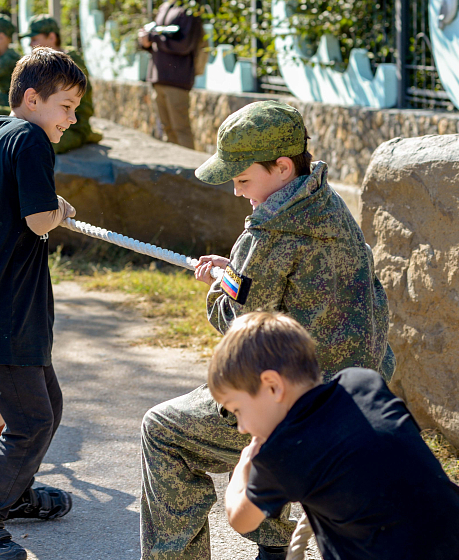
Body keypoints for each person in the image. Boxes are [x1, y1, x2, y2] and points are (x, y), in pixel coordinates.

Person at [140, 101, 395, 560]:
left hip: (301, 407)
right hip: (361, 391)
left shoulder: (270, 232)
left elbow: (239, 329)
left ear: (280, 168)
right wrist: (234, 270)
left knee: (162, 430)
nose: (237, 192)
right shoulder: (328, 206)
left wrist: (221, 289)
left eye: (241, 179)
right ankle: (274, 545)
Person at [210, 311, 459, 560]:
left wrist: (246, 463)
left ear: (272, 386)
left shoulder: (286, 451)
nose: (242, 427)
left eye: (237, 410)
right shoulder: (363, 382)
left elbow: (241, 518)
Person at [0, 47, 85, 560]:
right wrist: (59, 210)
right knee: (30, 421)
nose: (71, 119)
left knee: (47, 409)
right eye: (66, 106)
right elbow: (36, 219)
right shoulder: (29, 138)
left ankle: (14, 495)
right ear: (33, 99)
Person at [20, 13, 102, 154]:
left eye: (34, 39)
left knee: (39, 144)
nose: (30, 44)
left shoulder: (70, 62)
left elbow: (78, 104)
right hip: (47, 119)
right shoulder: (42, 63)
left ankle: (86, 134)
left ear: (52, 37)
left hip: (72, 126)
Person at [137, 0, 203, 149]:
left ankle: (189, 169)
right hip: (158, 78)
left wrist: (153, 38)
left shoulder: (189, 9)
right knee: (167, 129)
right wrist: (145, 41)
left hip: (177, 81)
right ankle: (175, 169)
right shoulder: (164, 7)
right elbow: (158, 40)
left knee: (180, 128)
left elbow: (184, 45)